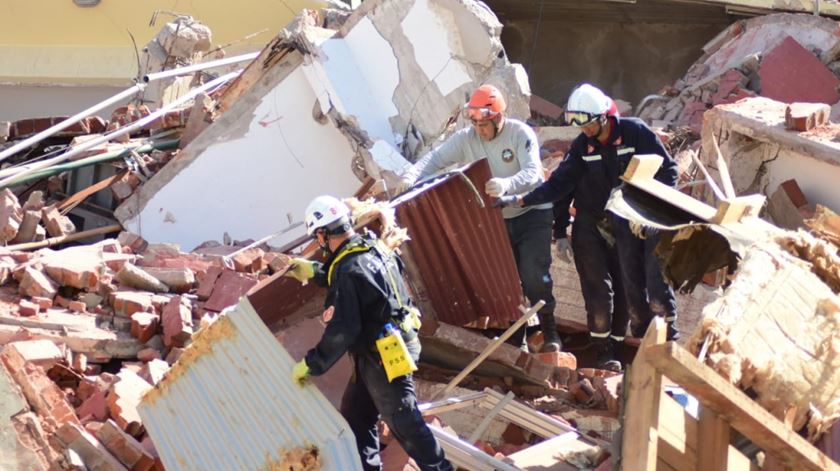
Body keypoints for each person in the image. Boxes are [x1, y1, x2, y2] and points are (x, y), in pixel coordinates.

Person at [496, 83, 679, 356]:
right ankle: (602, 352)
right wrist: (524, 202)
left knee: (632, 286)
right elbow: (559, 185)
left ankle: (649, 347)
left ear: (604, 117)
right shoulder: (583, 146)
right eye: (580, 126)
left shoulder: (635, 133)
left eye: (590, 125)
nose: (586, 131)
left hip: (630, 221)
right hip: (591, 222)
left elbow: (669, 171)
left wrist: (650, 208)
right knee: (597, 291)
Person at [284, 195, 453, 471]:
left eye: (317, 236)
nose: (318, 243)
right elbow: (359, 278)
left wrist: (312, 363)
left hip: (385, 356)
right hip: (385, 347)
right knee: (357, 415)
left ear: (324, 233)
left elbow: (343, 329)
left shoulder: (350, 270)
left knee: (403, 420)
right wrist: (315, 271)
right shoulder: (373, 246)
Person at [396, 84, 561, 353]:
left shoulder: (519, 134)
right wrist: (411, 176)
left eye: (484, 124)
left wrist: (508, 184)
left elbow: (533, 173)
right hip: (499, 217)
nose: (479, 130)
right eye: (475, 124)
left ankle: (550, 333)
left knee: (533, 273)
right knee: (507, 278)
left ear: (498, 119)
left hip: (531, 212)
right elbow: (436, 159)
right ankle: (517, 339)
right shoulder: (467, 138)